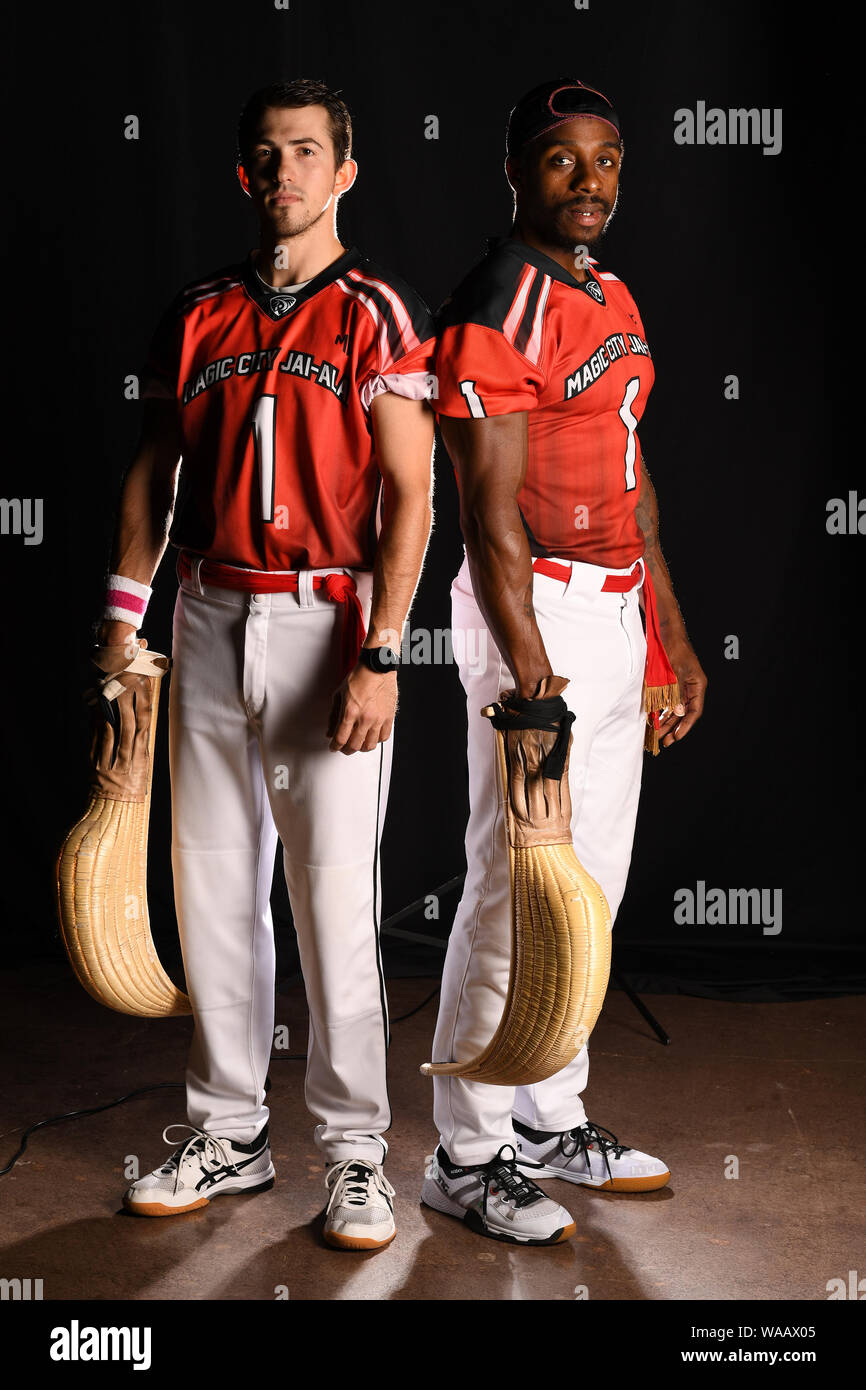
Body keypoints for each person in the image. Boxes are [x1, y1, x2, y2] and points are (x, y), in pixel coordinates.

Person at [97, 79, 435, 1250]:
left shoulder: (377, 312)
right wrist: (120, 627)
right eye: (264, 153)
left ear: (344, 172)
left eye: (305, 151)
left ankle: (352, 1154)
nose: (281, 170)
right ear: (244, 174)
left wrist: (382, 652)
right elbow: (152, 473)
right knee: (212, 891)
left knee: (333, 901)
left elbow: (412, 494)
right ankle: (228, 1130)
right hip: (204, 612)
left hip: (324, 619)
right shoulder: (194, 311)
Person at [421, 77, 707, 1245]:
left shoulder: (615, 295)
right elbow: (485, 516)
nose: (587, 183)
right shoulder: (496, 299)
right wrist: (532, 682)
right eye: (559, 162)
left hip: (612, 607)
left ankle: (546, 1114)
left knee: (588, 877)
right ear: (516, 173)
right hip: (524, 606)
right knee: (511, 884)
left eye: (605, 161)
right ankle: (464, 1149)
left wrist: (666, 638)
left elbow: (632, 484)